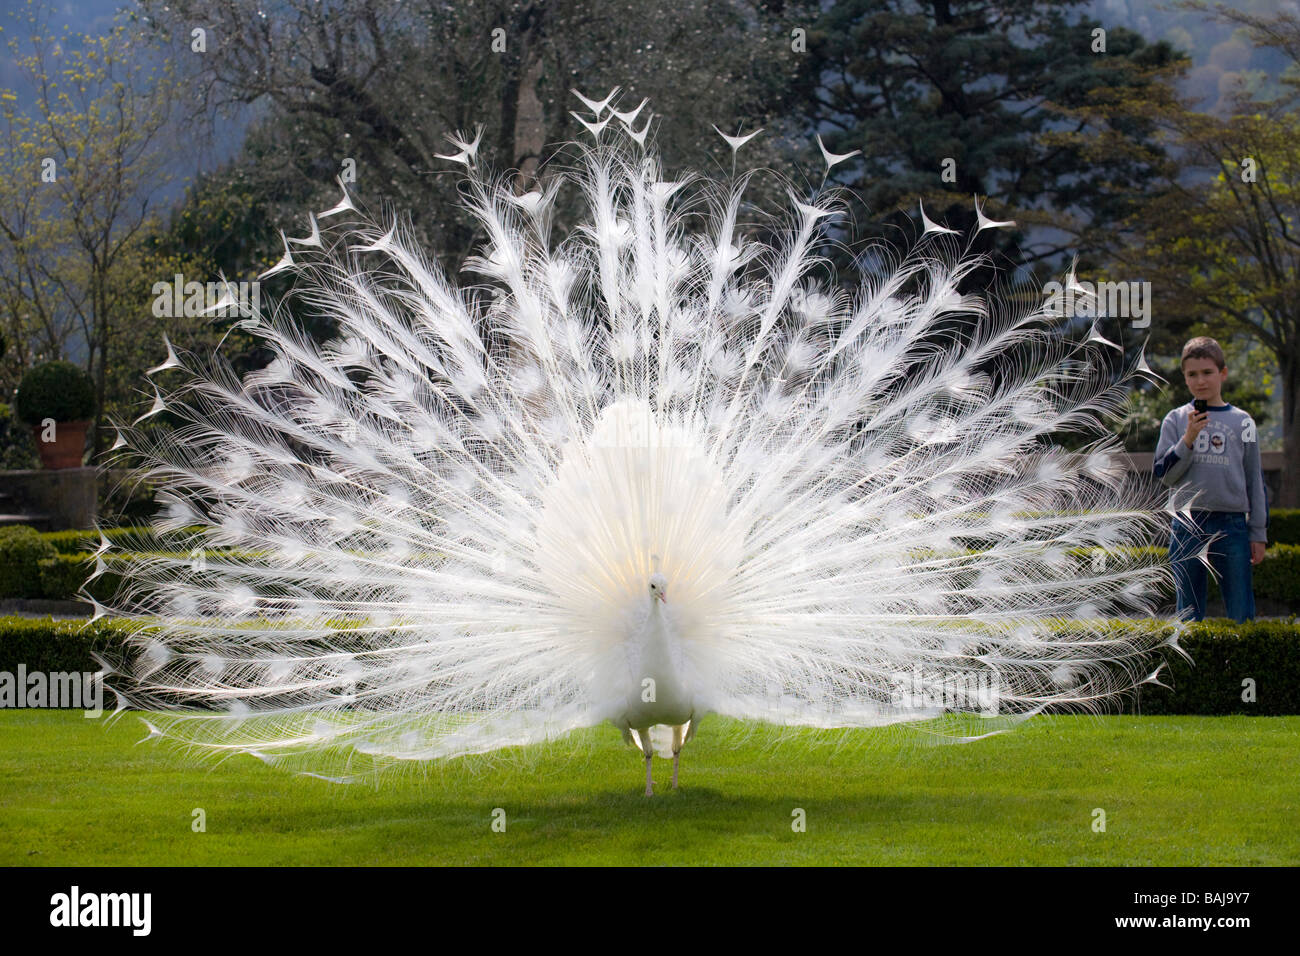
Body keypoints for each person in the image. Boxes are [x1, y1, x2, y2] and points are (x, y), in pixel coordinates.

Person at [1153, 336, 1268, 622]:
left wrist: (1258, 532)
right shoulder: (1175, 420)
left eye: (1207, 372)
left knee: (1241, 613)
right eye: (1192, 374)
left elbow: (1255, 479)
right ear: (1184, 377)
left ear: (1222, 373)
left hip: (1231, 526)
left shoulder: (1244, 422)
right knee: (1188, 616)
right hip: (1187, 524)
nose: (1200, 381)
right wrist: (1187, 440)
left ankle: (1242, 667)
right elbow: (1164, 476)